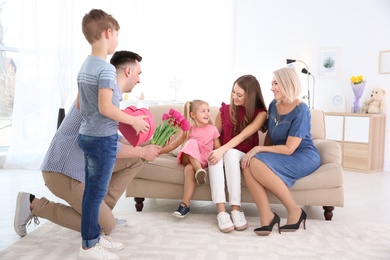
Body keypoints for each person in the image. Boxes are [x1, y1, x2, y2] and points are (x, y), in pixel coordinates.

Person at [13, 49, 159, 259]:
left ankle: (103, 212)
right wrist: (140, 149)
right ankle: (34, 205)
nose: (139, 79)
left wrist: (144, 147)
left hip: (82, 168)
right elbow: (105, 147)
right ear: (128, 71)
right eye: (139, 73)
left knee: (137, 158)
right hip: (64, 172)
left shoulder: (110, 96)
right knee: (105, 227)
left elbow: (111, 141)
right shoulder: (102, 97)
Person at [241, 67, 321, 236]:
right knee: (247, 164)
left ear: (287, 83)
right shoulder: (273, 105)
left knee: (254, 159)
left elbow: (290, 148)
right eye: (272, 83)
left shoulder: (301, 110)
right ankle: (267, 216)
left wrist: (258, 149)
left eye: (276, 83)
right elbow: (271, 134)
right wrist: (261, 153)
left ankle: (295, 211)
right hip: (281, 152)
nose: (272, 88)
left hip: (303, 155)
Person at [208, 75, 267, 233]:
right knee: (215, 157)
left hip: (245, 153)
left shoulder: (260, 113)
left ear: (251, 95)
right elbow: (215, 137)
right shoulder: (224, 111)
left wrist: (222, 150)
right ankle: (221, 211)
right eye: (233, 92)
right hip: (225, 151)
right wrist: (218, 150)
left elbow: (242, 136)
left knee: (230, 153)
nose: (234, 96)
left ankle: (236, 209)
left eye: (239, 95)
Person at [172, 100, 221, 218]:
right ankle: (199, 170)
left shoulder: (213, 129)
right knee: (192, 142)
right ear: (193, 115)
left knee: (189, 169)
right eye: (203, 111)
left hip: (203, 159)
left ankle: (185, 205)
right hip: (187, 157)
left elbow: (218, 147)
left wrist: (217, 155)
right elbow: (174, 145)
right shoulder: (188, 129)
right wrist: (160, 151)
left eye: (208, 111)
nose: (207, 114)